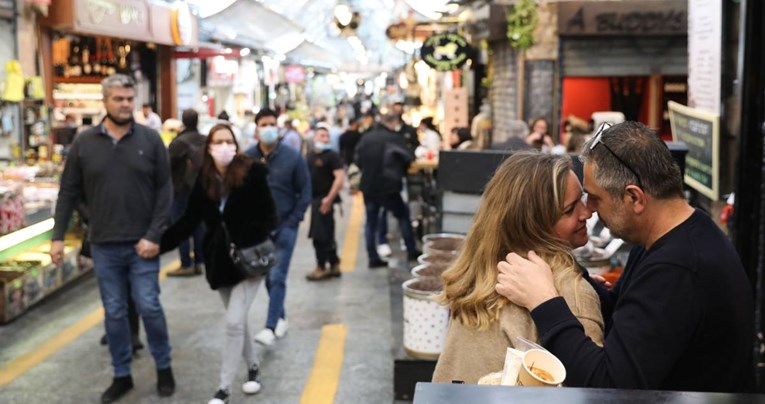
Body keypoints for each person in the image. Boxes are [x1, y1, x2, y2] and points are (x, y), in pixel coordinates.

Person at [495, 121, 755, 392]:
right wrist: (584, 285)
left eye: (595, 198)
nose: (590, 210)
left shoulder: (677, 270)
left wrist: (544, 301)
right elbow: (633, 321)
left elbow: (607, 383)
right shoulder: (675, 236)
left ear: (634, 198)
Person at [50, 74, 175, 403]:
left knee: (149, 305)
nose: (125, 105)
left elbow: (166, 191)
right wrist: (57, 236)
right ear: (105, 101)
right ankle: (122, 374)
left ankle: (164, 366)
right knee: (114, 312)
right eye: (118, 99)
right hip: (105, 244)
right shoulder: (84, 143)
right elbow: (68, 191)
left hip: (143, 245)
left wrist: (154, 234)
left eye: (129, 99)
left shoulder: (150, 140)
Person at [432, 152, 604, 384]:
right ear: (534, 225)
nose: (586, 213)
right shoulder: (571, 291)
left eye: (581, 199)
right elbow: (593, 387)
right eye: (570, 209)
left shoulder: (477, 275)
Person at [160, 124, 278, 404]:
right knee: (238, 322)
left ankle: (223, 388)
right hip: (221, 261)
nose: (224, 147)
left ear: (236, 145)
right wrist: (158, 245)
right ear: (209, 147)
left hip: (250, 260)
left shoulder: (252, 173)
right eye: (218, 142)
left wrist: (249, 234)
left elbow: (271, 216)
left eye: (228, 141)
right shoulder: (203, 181)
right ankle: (253, 369)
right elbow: (189, 220)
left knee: (234, 322)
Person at [245, 108, 311, 346]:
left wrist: (294, 220)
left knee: (278, 275)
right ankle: (280, 317)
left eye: (272, 124)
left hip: (285, 227)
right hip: (258, 230)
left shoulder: (293, 157)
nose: (269, 128)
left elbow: (305, 191)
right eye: (264, 124)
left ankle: (270, 327)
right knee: (268, 277)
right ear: (256, 129)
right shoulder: (247, 158)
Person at [355, 112, 420, 267]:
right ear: (393, 123)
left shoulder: (366, 137)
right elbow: (408, 156)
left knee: (371, 222)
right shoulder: (393, 138)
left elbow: (357, 160)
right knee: (403, 215)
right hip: (387, 186)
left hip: (368, 186)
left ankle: (372, 257)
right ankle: (411, 250)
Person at [166, 109, 207, 277]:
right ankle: (199, 261)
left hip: (181, 190)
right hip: (202, 189)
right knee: (198, 225)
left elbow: (166, 166)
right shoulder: (205, 140)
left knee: (181, 225)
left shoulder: (179, 143)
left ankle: (186, 263)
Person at [305, 125, 345, 281]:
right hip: (315, 200)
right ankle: (333, 264)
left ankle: (322, 266)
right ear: (314, 138)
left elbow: (339, 178)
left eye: (327, 136)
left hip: (325, 199)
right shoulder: (309, 156)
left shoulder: (332, 156)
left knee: (322, 235)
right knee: (323, 234)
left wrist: (329, 198)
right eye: (322, 136)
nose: (325, 139)